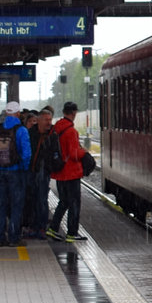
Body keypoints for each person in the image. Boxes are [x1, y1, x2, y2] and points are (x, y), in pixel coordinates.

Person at [0, 101, 32, 247]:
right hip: (16, 172)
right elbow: (27, 154)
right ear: (18, 114)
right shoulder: (21, 130)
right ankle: (14, 237)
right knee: (16, 205)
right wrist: (24, 168)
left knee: (1, 204)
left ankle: (0, 237)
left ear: (6, 113)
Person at [48, 101, 87, 242]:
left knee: (63, 202)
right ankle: (72, 233)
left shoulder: (55, 129)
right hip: (71, 172)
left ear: (64, 112)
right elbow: (74, 153)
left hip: (59, 172)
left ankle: (53, 228)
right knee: (74, 203)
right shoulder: (71, 131)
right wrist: (84, 152)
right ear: (74, 113)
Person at [23, 107, 55, 240]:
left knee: (41, 200)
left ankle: (41, 227)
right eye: (46, 120)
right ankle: (33, 226)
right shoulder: (30, 133)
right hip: (31, 171)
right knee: (31, 199)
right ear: (39, 120)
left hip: (43, 171)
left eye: (50, 120)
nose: (49, 123)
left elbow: (55, 152)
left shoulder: (52, 134)